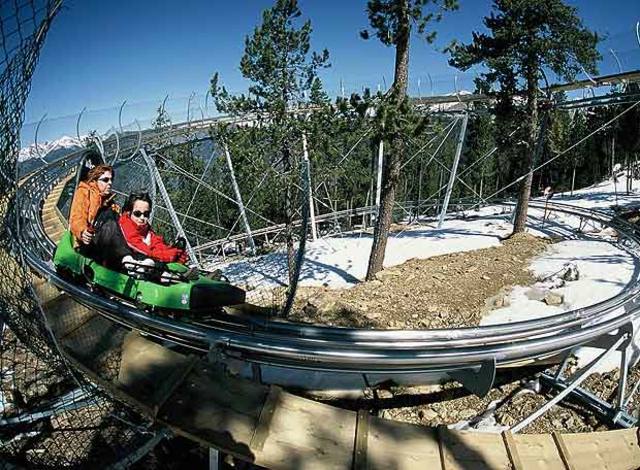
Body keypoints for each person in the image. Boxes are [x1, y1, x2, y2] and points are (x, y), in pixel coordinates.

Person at [68, 162, 130, 267]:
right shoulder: (84, 192)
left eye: (111, 180)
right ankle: (125, 258)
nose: (110, 183)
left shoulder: (109, 200)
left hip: (104, 240)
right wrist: (83, 231)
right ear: (94, 180)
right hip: (88, 242)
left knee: (115, 216)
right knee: (109, 216)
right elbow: (77, 216)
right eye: (105, 180)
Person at [119, 191, 188, 265]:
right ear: (129, 213)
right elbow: (141, 249)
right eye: (137, 214)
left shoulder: (146, 230)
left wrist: (175, 253)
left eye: (146, 214)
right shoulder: (125, 225)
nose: (142, 218)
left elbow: (157, 245)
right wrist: (167, 256)